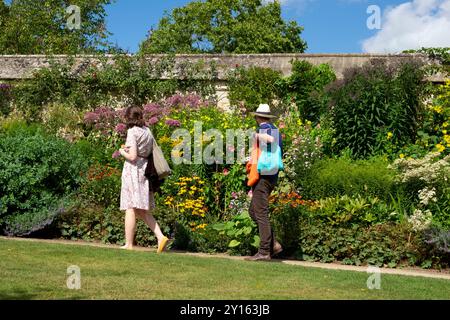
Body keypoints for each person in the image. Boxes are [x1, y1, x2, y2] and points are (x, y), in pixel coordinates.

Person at [119, 106, 169, 253]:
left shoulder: (132, 131)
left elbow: (133, 156)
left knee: (130, 206)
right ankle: (161, 237)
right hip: (144, 170)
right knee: (141, 209)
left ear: (128, 117)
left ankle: (128, 244)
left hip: (133, 171)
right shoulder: (147, 131)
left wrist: (122, 151)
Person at [245, 104, 283, 261]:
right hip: (270, 175)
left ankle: (264, 252)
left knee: (260, 213)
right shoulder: (274, 127)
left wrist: (255, 136)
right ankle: (274, 245)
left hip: (263, 177)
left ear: (257, 117)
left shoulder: (265, 128)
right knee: (254, 211)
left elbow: (270, 140)